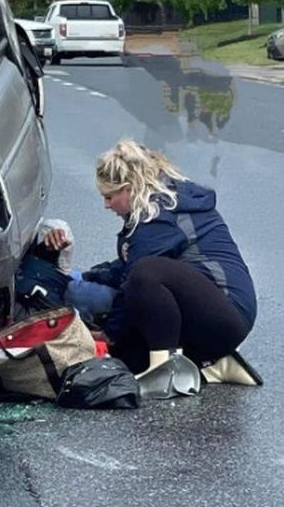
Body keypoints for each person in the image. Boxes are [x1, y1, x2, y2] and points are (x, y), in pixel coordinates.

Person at [45, 139, 257, 381]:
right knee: (126, 357)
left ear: (129, 188)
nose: (106, 205)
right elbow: (127, 268)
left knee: (146, 274)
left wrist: (110, 333)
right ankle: (213, 362)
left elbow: (136, 276)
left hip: (227, 312)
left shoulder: (159, 216)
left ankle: (164, 371)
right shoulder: (159, 206)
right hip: (214, 312)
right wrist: (88, 276)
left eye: (109, 196)